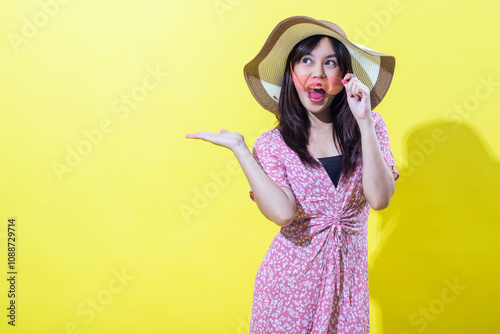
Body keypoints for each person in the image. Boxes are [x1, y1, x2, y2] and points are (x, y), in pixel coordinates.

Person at [185, 16, 399, 334]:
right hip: (289, 290)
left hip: (347, 291)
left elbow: (380, 199)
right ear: (292, 74)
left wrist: (364, 121)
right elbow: (283, 213)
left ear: (344, 75)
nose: (318, 74)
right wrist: (241, 149)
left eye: (330, 63)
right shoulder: (273, 145)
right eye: (306, 61)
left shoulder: (371, 125)